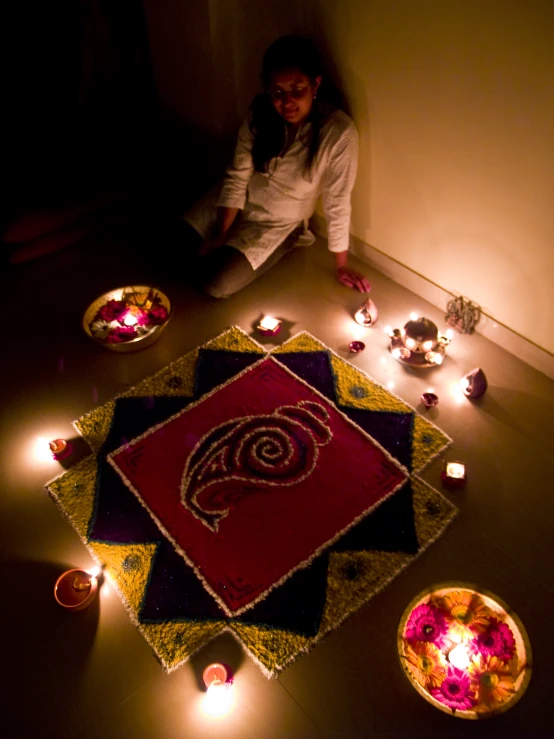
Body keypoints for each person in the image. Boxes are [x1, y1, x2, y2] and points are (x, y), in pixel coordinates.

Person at [182, 35, 370, 298]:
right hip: (237, 204)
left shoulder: (338, 133)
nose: (287, 101)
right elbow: (237, 177)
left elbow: (337, 201)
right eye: (278, 93)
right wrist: (221, 235)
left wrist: (342, 265)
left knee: (216, 285)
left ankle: (271, 248)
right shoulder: (260, 116)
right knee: (175, 246)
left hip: (278, 224)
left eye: (297, 90)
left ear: (315, 85)